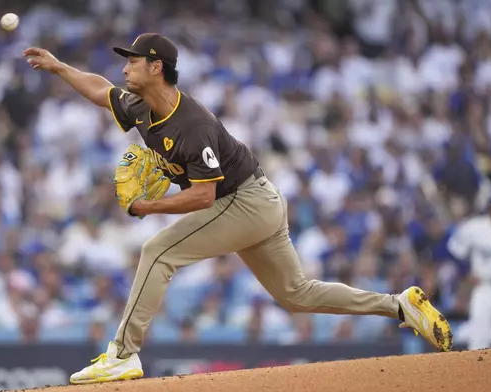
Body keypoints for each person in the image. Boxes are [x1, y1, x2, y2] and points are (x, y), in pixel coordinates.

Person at [23, 33, 453, 385]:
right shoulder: (141, 105)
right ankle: (400, 305)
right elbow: (102, 91)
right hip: (257, 201)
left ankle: (122, 354)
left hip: (243, 200)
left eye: (133, 60)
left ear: (157, 67)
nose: (125, 67)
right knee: (296, 294)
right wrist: (59, 66)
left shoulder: (192, 123)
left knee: (158, 251)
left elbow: (204, 197)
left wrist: (149, 206)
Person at [447, 190, 491, 350]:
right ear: (490, 208)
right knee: (479, 338)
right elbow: (454, 250)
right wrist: (465, 273)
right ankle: (476, 373)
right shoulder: (475, 228)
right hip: (485, 287)